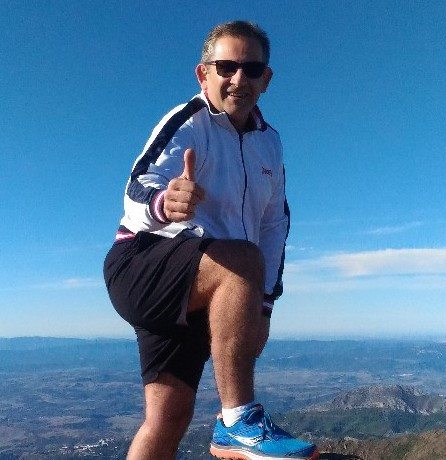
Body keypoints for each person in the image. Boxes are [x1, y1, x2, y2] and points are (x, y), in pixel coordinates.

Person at [104, 20, 319, 460]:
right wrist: (166, 201)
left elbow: (274, 224)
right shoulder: (188, 122)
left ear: (266, 79)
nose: (239, 78)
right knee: (243, 260)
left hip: (203, 282)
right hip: (142, 261)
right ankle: (238, 420)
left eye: (251, 69)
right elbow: (138, 186)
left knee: (167, 415)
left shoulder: (270, 144)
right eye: (226, 67)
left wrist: (263, 306)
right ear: (204, 74)